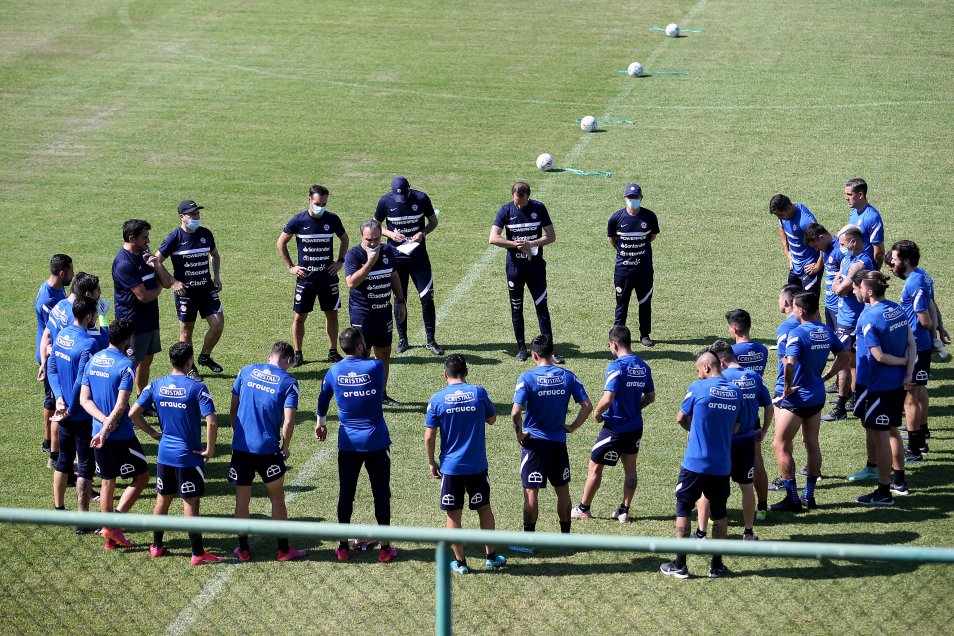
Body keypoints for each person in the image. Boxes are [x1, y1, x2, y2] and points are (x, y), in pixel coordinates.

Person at [131, 342, 222, 565]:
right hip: (188, 456)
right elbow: (211, 422)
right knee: (190, 503)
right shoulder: (197, 388)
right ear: (190, 361)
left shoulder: (156, 384)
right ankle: (198, 553)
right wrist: (209, 450)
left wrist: (153, 433)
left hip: (164, 454)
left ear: (171, 360)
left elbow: (133, 413)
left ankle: (156, 546)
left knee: (163, 500)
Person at [316, 327, 398, 563]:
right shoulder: (376, 367)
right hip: (376, 442)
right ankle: (385, 549)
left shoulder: (334, 371)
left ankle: (343, 547)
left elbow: (323, 398)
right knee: (381, 495)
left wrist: (321, 423)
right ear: (361, 346)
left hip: (348, 444)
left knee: (346, 494)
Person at [659, 350, 740, 580]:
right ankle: (717, 565)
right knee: (720, 511)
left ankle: (680, 564)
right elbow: (736, 426)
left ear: (706, 367)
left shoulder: (698, 387)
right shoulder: (736, 392)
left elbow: (680, 417)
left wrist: (693, 430)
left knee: (684, 508)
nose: (698, 374)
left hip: (694, 463)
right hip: (721, 464)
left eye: (698, 370)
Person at [82, 318, 161, 550]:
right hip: (120, 436)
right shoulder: (126, 365)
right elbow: (121, 405)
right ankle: (113, 525)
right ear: (128, 339)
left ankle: (109, 538)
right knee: (142, 477)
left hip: (97, 434)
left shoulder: (93, 359)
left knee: (108, 482)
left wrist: (102, 423)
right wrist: (108, 426)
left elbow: (84, 400)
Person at [424, 354, 506, 574]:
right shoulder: (478, 392)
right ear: (466, 371)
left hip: (451, 468)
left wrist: (431, 462)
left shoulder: (437, 399)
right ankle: (491, 557)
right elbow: (492, 419)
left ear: (445, 374)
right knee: (484, 508)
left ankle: (460, 563)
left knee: (453, 514)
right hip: (476, 465)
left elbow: (429, 436)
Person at [771, 292, 850, 513]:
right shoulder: (826, 331)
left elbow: (789, 365)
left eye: (795, 308)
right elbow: (844, 357)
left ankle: (792, 498)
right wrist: (826, 377)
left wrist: (787, 387)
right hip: (816, 397)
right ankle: (809, 496)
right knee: (811, 443)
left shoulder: (797, 334)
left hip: (796, 400)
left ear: (801, 311)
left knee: (780, 445)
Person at [229, 341, 306, 562]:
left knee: (242, 499)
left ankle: (243, 549)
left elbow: (233, 408)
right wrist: (286, 446)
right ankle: (283, 550)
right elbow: (288, 421)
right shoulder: (288, 383)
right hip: (268, 449)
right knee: (277, 498)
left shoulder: (245, 371)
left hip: (242, 447)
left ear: (269, 356)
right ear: (289, 360)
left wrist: (237, 434)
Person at [511, 335, 592, 547]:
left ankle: (528, 542)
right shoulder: (568, 376)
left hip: (534, 445)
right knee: (562, 490)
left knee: (531, 492)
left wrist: (519, 433)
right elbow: (587, 406)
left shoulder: (527, 378)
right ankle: (565, 539)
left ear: (534, 355)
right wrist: (572, 426)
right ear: (552, 352)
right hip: (558, 443)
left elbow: (515, 413)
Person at [571, 326, 654, 522]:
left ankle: (584, 509)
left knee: (595, 467)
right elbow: (650, 397)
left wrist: (597, 413)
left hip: (614, 428)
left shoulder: (616, 367)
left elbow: (608, 398)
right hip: (635, 427)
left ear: (614, 344)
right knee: (630, 470)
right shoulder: (643, 366)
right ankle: (624, 511)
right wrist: (635, 408)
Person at [697, 341, 774, 540]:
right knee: (746, 487)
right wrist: (764, 430)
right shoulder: (754, 376)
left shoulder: (720, 380)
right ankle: (748, 532)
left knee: (707, 487)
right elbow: (769, 406)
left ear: (720, 361)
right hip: (747, 440)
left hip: (722, 441)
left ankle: (701, 533)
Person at [852, 271, 916, 505]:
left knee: (881, 437)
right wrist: (908, 372)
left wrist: (900, 361)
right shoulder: (897, 309)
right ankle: (899, 481)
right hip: (896, 383)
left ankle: (884, 491)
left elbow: (878, 356)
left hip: (878, 385)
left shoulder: (870, 318)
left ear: (869, 291)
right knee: (891, 430)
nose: (856, 290)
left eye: (859, 287)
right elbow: (911, 343)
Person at [490, 182, 564, 363]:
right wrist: (515, 245)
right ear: (512, 196)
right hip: (515, 270)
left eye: (522, 202)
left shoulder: (538, 208)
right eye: (516, 201)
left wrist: (531, 244)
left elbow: (551, 236)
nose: (519, 205)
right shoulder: (505, 210)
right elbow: (493, 238)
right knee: (517, 309)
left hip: (535, 268)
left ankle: (550, 351)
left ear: (528, 197)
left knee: (542, 308)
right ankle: (522, 349)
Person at [277, 184, 349, 367]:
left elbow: (344, 238)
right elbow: (281, 243)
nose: (320, 207)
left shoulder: (332, 219)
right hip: (306, 279)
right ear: (309, 200)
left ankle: (333, 352)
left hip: (328, 278)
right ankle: (298, 354)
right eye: (317, 203)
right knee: (299, 317)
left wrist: (340, 261)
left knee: (332, 315)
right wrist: (291, 267)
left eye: (324, 204)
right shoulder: (298, 220)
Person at [374, 176, 443, 355]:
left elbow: (433, 222)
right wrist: (390, 234)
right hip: (396, 259)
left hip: (418, 257)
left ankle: (431, 340)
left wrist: (422, 233)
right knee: (400, 299)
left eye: (404, 197)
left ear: (409, 189)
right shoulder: (385, 201)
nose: (402, 200)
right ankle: (403, 339)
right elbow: (375, 226)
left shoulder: (421, 198)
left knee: (427, 298)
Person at [156, 200, 225, 380]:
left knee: (218, 324)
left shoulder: (205, 234)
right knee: (186, 331)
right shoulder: (174, 238)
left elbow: (215, 254)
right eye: (192, 214)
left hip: (207, 289)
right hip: (186, 293)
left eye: (197, 213)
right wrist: (173, 282)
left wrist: (217, 276)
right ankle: (189, 367)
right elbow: (156, 261)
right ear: (182, 217)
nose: (196, 217)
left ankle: (204, 357)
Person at [47, 297, 100, 526]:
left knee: (63, 460)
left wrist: (59, 399)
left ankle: (58, 510)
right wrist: (70, 406)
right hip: (80, 414)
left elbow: (51, 368)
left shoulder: (62, 335)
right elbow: (81, 379)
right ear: (88, 317)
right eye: (95, 314)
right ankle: (82, 521)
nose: (96, 317)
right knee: (85, 466)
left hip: (63, 412)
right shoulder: (89, 343)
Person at [344, 219, 406, 406]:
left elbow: (393, 275)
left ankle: (381, 394)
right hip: (362, 315)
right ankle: (361, 396)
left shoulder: (387, 251)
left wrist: (401, 301)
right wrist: (370, 262)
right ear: (361, 237)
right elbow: (351, 282)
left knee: (384, 353)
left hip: (383, 313)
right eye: (368, 239)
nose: (372, 243)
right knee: (361, 356)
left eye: (376, 239)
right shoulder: (354, 255)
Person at [888, 240, 937, 460]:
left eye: (895, 259)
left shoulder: (914, 282)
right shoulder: (922, 275)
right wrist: (935, 335)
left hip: (915, 345)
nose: (892, 262)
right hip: (922, 344)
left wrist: (932, 334)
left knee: (910, 398)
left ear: (906, 260)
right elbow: (932, 304)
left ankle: (914, 448)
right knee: (919, 391)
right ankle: (922, 434)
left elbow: (923, 317)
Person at [112, 219, 172, 395]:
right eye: (144, 237)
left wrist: (157, 264)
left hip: (150, 320)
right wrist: (160, 285)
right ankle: (121, 404)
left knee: (146, 361)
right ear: (132, 238)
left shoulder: (145, 254)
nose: (148, 241)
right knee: (130, 366)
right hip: (133, 325)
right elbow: (144, 296)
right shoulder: (124, 264)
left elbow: (167, 282)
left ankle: (141, 401)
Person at [824, 225, 876, 421]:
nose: (841, 247)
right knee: (852, 362)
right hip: (845, 317)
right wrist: (839, 280)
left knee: (844, 362)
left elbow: (839, 289)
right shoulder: (848, 259)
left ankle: (840, 407)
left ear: (853, 242)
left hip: (851, 319)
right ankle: (853, 398)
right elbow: (839, 275)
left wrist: (837, 283)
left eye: (843, 244)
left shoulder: (861, 263)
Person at [725, 309, 771, 518]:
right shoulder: (762, 350)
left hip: (731, 414)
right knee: (757, 460)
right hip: (753, 412)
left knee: (722, 461)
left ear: (734, 329)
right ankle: (762, 507)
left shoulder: (731, 353)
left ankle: (716, 509)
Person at [607, 183, 660, 346]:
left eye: (636, 197)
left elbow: (652, 236)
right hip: (623, 270)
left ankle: (645, 335)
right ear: (625, 198)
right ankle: (616, 337)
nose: (633, 200)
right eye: (630, 197)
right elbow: (612, 240)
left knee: (645, 302)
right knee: (621, 304)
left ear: (641, 198)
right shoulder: (616, 218)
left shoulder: (649, 217)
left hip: (644, 270)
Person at [35, 254, 72, 459]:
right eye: (71, 271)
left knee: (53, 399)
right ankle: (49, 442)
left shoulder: (56, 288)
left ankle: (51, 441)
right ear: (62, 273)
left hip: (54, 352)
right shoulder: (48, 299)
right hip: (50, 355)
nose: (73, 274)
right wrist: (45, 360)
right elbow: (51, 332)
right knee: (51, 400)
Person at [769, 194, 823, 295]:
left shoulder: (806, 221)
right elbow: (781, 227)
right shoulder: (783, 217)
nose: (779, 218)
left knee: (808, 303)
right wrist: (787, 252)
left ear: (789, 208)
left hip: (809, 267)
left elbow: (822, 241)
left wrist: (819, 264)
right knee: (790, 299)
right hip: (795, 266)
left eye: (781, 215)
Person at [803, 223, 845, 329]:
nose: (816, 250)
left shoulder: (840, 251)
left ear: (821, 237)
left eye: (815, 246)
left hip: (839, 307)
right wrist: (818, 264)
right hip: (829, 304)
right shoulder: (825, 248)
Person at [844, 177, 885, 268]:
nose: (846, 198)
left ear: (860, 195)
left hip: (865, 269)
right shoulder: (854, 212)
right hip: (852, 264)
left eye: (849, 194)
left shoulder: (872, 217)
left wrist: (874, 271)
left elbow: (879, 253)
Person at [725, 309, 769, 377]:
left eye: (729, 327)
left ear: (734, 329)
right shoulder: (763, 349)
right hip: (757, 384)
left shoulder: (730, 352)